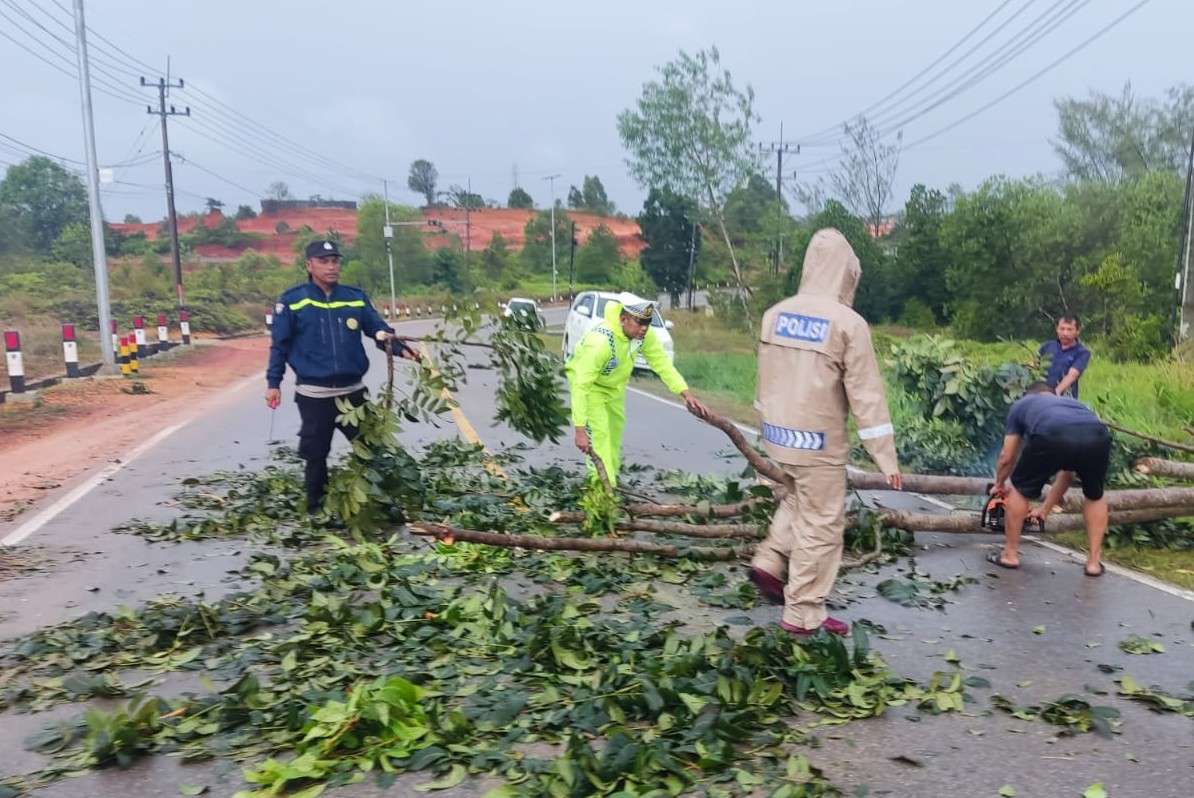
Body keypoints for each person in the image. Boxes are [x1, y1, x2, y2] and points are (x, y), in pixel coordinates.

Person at [749, 228, 902, 637]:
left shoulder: (774, 314)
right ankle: (803, 612)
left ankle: (769, 559)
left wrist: (762, 427)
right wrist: (884, 455)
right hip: (818, 443)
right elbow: (866, 395)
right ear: (846, 273)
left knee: (798, 501)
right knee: (822, 524)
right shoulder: (847, 324)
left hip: (777, 437)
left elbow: (765, 380)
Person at [265, 239, 421, 517]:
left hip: (353, 394)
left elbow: (378, 331)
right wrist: (273, 384)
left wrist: (401, 348)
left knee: (371, 449)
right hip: (314, 396)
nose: (331, 266)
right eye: (324, 261)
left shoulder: (355, 297)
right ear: (309, 265)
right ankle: (317, 510)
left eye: (335, 261)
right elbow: (280, 345)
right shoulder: (292, 301)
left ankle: (382, 505)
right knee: (316, 454)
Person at [565, 292, 709, 486]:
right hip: (590, 387)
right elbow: (581, 386)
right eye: (639, 323)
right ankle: (602, 494)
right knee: (599, 439)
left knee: (613, 438)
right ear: (623, 319)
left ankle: (610, 482)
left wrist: (685, 393)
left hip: (614, 387)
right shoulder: (600, 342)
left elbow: (662, 364)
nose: (644, 329)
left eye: (647, 323)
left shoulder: (643, 335)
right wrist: (580, 429)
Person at [989, 381, 1111, 576]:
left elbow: (1007, 456)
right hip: (1098, 436)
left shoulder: (1021, 405)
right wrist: (1044, 510)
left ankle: (1010, 555)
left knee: (1020, 489)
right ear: (1053, 394)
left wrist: (1000, 483)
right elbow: (1067, 473)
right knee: (1095, 495)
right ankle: (1094, 563)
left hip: (1052, 432)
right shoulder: (1074, 405)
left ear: (1029, 394)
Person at [1038, 315, 1091, 398]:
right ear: (1057, 329)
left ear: (1077, 331)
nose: (1065, 333)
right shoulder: (1047, 346)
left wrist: (1055, 393)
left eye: (1069, 329)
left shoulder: (1082, 352)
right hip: (1040, 394)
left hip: (1065, 398)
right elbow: (1033, 366)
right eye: (1062, 329)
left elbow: (1072, 375)